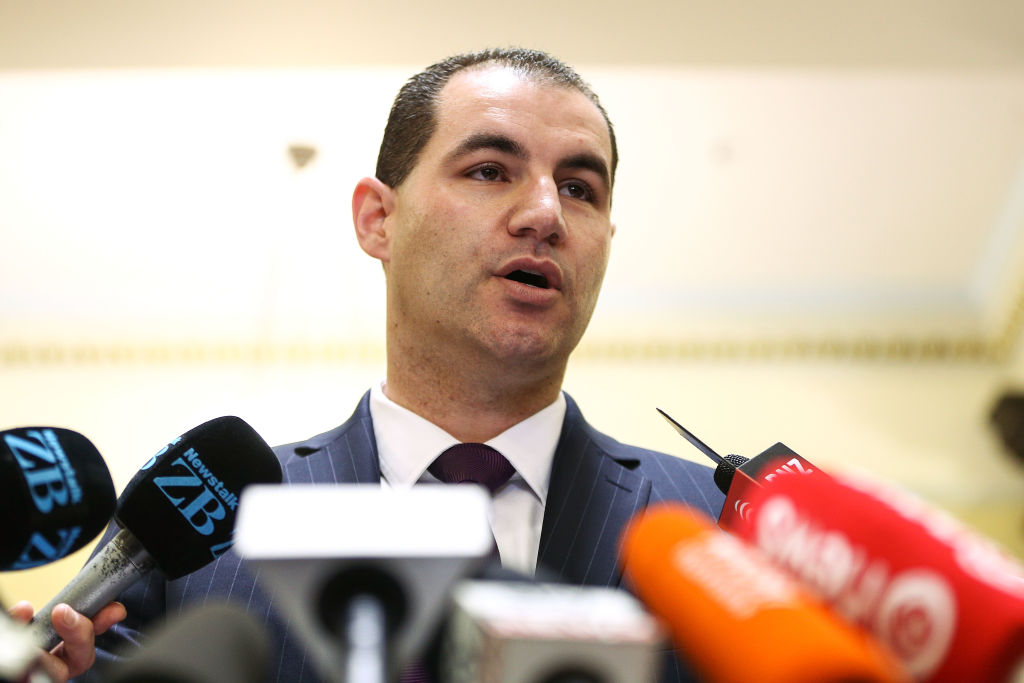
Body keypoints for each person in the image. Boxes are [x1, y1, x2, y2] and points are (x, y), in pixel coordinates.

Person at [11, 47, 725, 682]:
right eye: (489, 170)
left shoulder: (721, 531)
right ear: (378, 220)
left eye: (580, 188)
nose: (545, 213)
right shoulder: (205, 516)